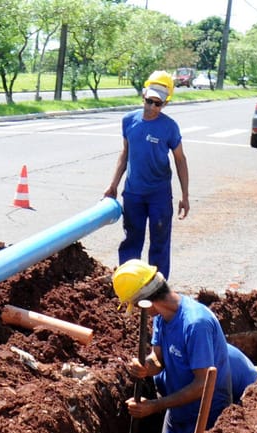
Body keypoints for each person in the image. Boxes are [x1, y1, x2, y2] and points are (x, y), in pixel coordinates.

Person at [113, 259, 232, 433]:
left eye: (135, 307)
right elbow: (158, 359)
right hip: (176, 412)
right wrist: (146, 368)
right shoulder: (162, 318)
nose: (137, 312)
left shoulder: (195, 324)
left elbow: (202, 385)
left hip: (202, 417)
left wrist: (154, 406)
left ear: (147, 302)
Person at [104, 70, 190, 280]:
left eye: (157, 103)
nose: (151, 107)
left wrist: (185, 196)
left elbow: (180, 160)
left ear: (165, 104)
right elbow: (125, 152)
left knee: (160, 241)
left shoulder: (169, 127)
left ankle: (157, 288)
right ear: (143, 96)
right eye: (149, 101)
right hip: (133, 193)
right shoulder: (128, 121)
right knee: (132, 239)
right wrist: (113, 184)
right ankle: (128, 282)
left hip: (159, 194)